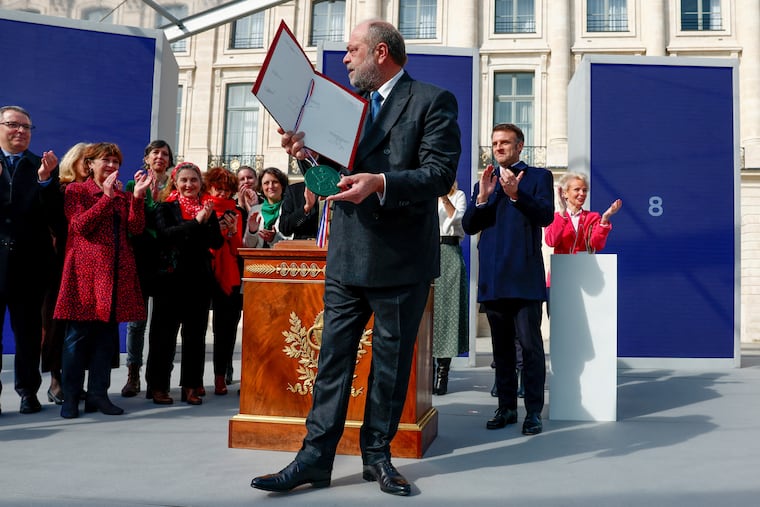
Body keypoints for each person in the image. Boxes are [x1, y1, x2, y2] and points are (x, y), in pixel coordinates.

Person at [250, 19, 460, 497]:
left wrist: (381, 183)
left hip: (401, 260)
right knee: (332, 362)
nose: (344, 59)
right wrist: (305, 157)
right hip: (347, 255)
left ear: (380, 52)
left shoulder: (431, 100)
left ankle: (377, 458)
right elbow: (329, 184)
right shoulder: (348, 110)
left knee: (389, 366)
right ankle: (313, 460)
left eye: (351, 50)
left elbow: (439, 173)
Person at [462, 123, 553, 436]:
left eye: (505, 142)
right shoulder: (484, 180)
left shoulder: (540, 177)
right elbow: (470, 225)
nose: (498, 147)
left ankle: (534, 412)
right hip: (493, 278)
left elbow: (545, 216)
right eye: (495, 143)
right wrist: (483, 198)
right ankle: (506, 408)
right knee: (500, 350)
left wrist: (516, 194)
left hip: (524, 277)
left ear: (520, 146)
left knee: (530, 348)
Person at [53, 142, 152, 418]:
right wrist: (105, 198)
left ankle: (98, 394)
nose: (111, 166)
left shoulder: (122, 195)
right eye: (106, 161)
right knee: (77, 338)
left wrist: (139, 198)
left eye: (115, 162)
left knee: (105, 340)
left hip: (115, 274)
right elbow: (80, 226)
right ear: (90, 164)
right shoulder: (76, 191)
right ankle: (71, 397)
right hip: (84, 275)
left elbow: (135, 227)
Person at [0, 105, 62, 415]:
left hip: (30, 267)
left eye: (26, 127)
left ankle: (28, 392)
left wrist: (44, 182)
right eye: (13, 125)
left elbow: (54, 217)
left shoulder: (43, 166)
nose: (21, 131)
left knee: (27, 336)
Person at [145, 162, 223, 406]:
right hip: (169, 280)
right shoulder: (165, 207)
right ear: (175, 183)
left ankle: (190, 385)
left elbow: (216, 242)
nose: (189, 185)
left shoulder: (207, 208)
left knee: (195, 337)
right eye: (184, 180)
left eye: (193, 180)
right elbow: (167, 237)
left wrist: (207, 220)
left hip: (198, 281)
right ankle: (158, 386)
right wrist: (196, 222)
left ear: (200, 184)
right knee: (163, 337)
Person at [121, 140, 175, 398]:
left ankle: (157, 377)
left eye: (165, 154)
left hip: (165, 260)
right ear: (146, 158)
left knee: (162, 324)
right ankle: (133, 374)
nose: (160, 157)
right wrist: (144, 196)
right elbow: (134, 222)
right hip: (140, 259)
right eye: (156, 153)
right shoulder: (134, 185)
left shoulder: (174, 187)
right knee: (136, 322)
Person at [41, 142, 91, 406]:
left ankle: (76, 382)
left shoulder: (98, 191)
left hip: (87, 268)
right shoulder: (59, 189)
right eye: (87, 159)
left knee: (81, 329)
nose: (90, 164)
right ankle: (56, 382)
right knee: (56, 326)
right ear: (74, 161)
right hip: (60, 265)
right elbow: (50, 217)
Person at [203, 167, 244, 396]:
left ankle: (221, 377)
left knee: (225, 329)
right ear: (209, 187)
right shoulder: (202, 208)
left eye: (228, 191)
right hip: (204, 270)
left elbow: (238, 249)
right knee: (196, 329)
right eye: (219, 189)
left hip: (229, 272)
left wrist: (230, 233)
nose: (223, 195)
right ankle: (195, 380)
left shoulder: (236, 212)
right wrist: (214, 230)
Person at [432, 181, 468, 395]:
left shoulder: (458, 195)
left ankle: (442, 372)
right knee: (428, 313)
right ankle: (425, 369)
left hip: (450, 252)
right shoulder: (426, 196)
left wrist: (444, 196)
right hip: (428, 252)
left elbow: (458, 219)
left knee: (447, 312)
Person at [243, 166, 289, 248]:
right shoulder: (255, 210)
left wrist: (274, 239)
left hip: (281, 259)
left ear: (282, 185)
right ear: (261, 187)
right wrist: (252, 232)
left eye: (275, 182)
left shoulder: (289, 208)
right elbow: (248, 245)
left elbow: (292, 242)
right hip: (259, 259)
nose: (271, 186)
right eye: (266, 183)